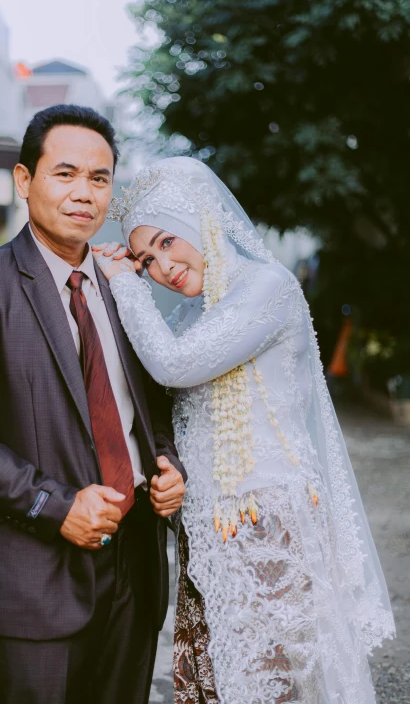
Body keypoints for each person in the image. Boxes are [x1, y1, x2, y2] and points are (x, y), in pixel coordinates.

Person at [93, 156, 395, 704]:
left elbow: (174, 366)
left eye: (167, 242)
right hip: (209, 533)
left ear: (200, 224)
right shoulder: (192, 315)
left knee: (276, 681)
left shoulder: (267, 288)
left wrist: (123, 284)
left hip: (267, 524)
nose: (162, 266)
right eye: (144, 259)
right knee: (216, 682)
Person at [0, 105, 186, 704]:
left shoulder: (126, 287)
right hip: (31, 573)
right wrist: (53, 504)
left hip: (137, 567)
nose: (83, 194)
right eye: (64, 174)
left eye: (98, 179)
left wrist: (168, 465)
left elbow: (150, 411)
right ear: (25, 180)